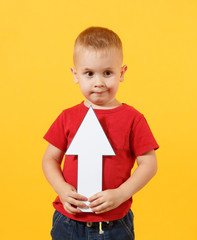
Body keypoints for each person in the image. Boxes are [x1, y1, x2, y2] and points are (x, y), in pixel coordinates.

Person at [42, 26, 159, 240]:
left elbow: (149, 164)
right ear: (75, 75)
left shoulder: (134, 119)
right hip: (68, 221)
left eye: (107, 73)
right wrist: (61, 188)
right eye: (89, 73)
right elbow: (49, 158)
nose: (99, 83)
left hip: (113, 223)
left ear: (121, 73)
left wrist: (121, 194)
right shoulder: (67, 117)